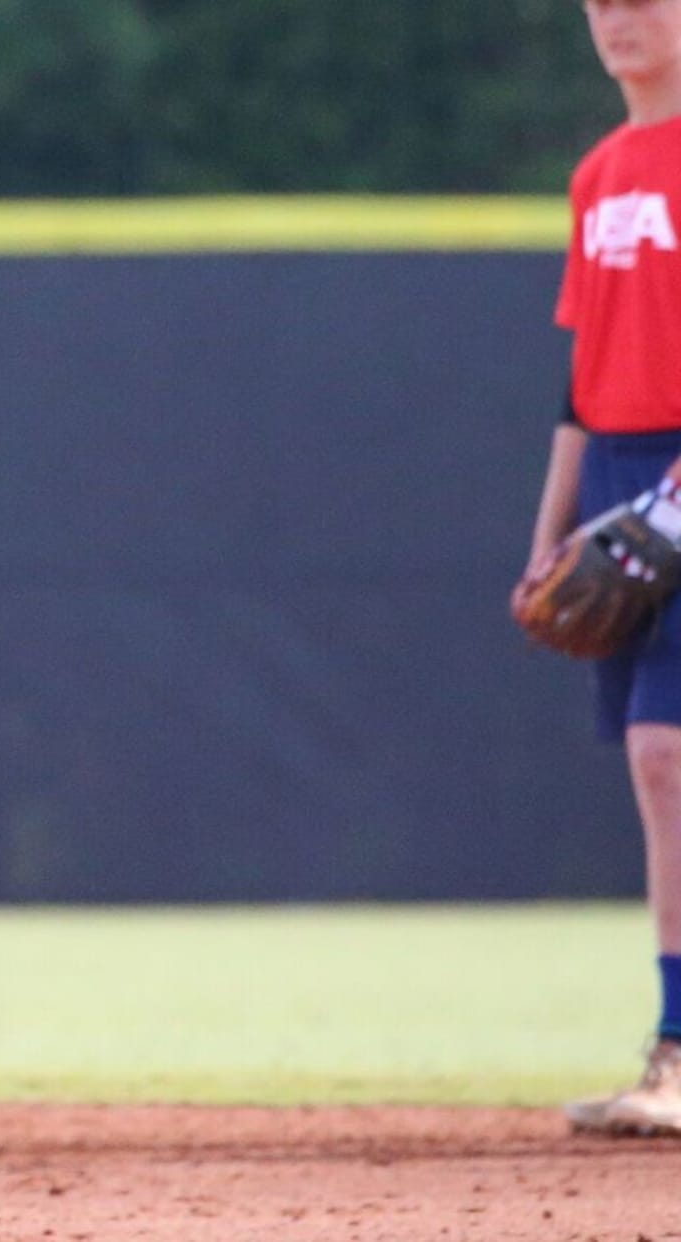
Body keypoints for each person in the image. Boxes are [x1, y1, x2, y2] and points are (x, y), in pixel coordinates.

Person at [515, 0, 681, 1138]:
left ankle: (676, 1053)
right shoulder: (601, 173)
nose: (619, 15)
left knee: (667, 757)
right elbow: (584, 379)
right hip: (622, 479)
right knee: (655, 766)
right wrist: (552, 530)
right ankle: (671, 1045)